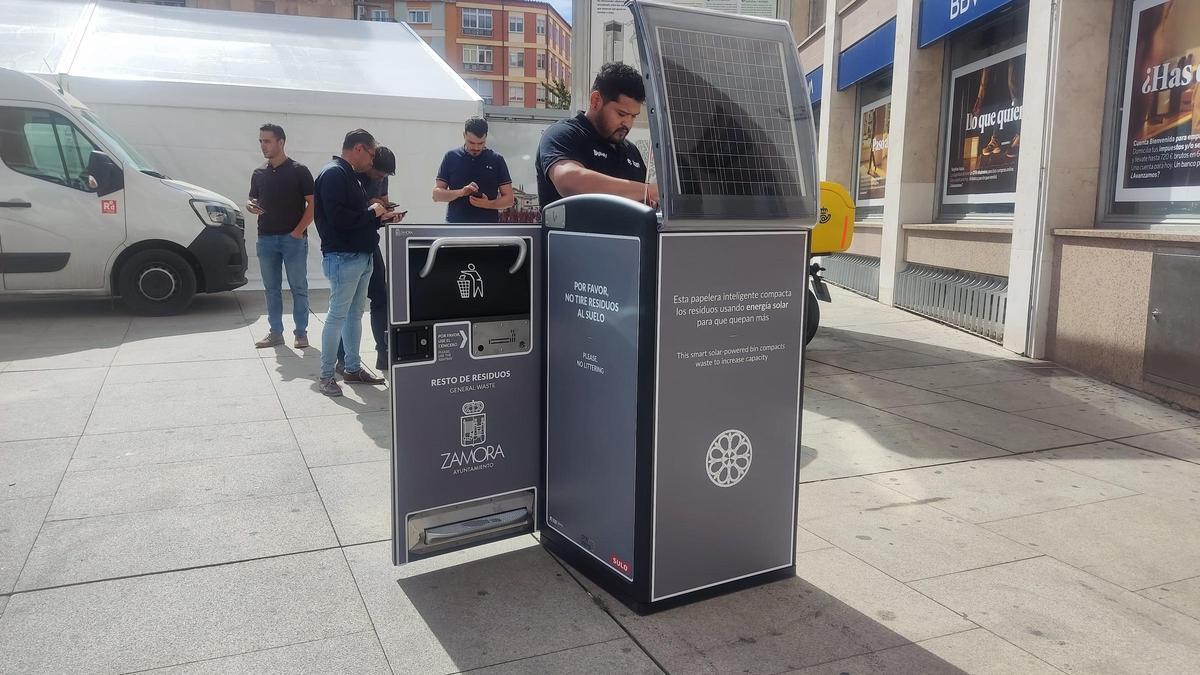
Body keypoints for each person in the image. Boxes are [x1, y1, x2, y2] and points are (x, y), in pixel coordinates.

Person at [313, 129, 399, 397]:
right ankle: (327, 375)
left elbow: (354, 217)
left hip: (360, 254)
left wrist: (380, 218)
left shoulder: (350, 176)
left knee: (353, 315)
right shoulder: (334, 174)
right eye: (372, 154)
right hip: (343, 255)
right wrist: (371, 211)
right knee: (338, 315)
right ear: (359, 148)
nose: (372, 161)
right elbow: (338, 218)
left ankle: (351, 367)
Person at [535, 62, 658, 209]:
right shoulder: (563, 134)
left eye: (634, 116)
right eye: (621, 114)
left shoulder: (631, 151)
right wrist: (648, 191)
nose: (628, 124)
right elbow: (570, 181)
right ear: (596, 101)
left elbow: (645, 202)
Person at [247, 123, 314, 349]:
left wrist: (297, 232)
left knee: (298, 287)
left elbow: (313, 205)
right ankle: (275, 332)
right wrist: (251, 206)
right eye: (260, 141)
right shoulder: (258, 174)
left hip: (292, 239)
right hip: (265, 239)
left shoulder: (299, 170)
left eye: (267, 141)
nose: (262, 146)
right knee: (271, 289)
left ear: (281, 142)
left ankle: (301, 332)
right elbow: (254, 200)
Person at [336, 146, 399, 373]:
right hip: (351, 245)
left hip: (370, 242)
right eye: (379, 173)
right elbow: (346, 214)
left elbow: (383, 202)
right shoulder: (351, 175)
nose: (381, 179)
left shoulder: (381, 177)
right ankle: (341, 358)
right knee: (349, 304)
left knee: (381, 296)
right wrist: (370, 206)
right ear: (370, 162)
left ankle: (383, 353)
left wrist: (389, 214)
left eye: (385, 177)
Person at [432, 117, 514, 223]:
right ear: (464, 135)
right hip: (456, 228)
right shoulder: (451, 157)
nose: (476, 147)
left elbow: (509, 200)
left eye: (481, 143)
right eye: (471, 142)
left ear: (486, 137)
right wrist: (461, 192)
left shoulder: (496, 160)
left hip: (487, 229)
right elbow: (436, 195)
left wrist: (488, 204)